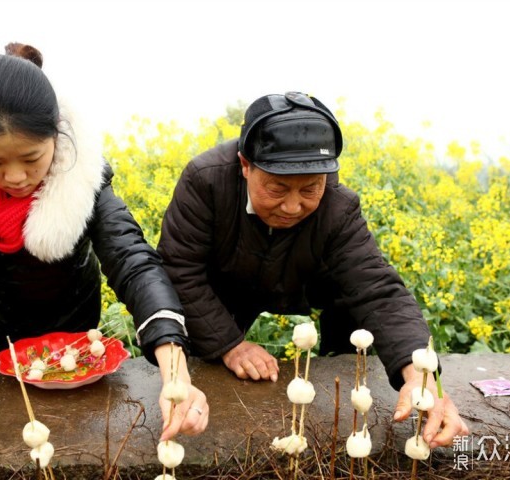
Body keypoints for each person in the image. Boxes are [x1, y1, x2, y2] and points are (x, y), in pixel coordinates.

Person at [0, 44, 207, 441]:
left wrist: (175, 372)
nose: (17, 177)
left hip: (71, 317)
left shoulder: (81, 173)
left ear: (56, 136)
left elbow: (131, 260)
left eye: (32, 158)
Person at [156, 91, 469, 447]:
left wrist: (421, 377)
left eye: (310, 188)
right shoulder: (206, 181)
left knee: (353, 311)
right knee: (205, 360)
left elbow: (377, 289)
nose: (292, 206)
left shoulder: (338, 206)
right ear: (245, 165)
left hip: (302, 283)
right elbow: (178, 269)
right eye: (277, 188)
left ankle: (340, 375)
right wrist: (230, 345)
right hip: (224, 287)